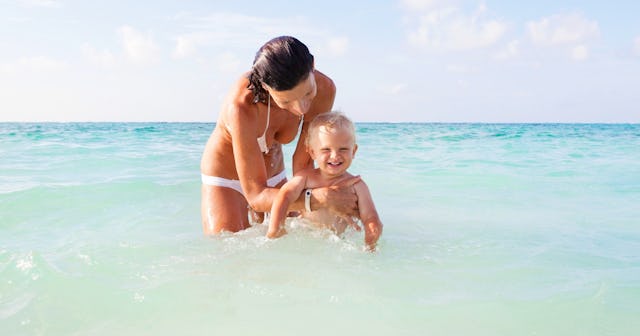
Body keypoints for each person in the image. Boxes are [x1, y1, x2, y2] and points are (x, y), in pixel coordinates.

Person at [200, 36, 360, 234]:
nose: (301, 109)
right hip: (227, 180)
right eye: (286, 102)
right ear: (266, 87)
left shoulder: (325, 89)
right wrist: (321, 198)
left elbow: (303, 164)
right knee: (228, 253)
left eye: (308, 94)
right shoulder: (241, 106)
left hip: (276, 176)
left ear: (313, 66)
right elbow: (257, 197)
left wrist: (334, 200)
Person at [267, 112, 383, 250]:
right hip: (305, 237)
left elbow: (370, 215)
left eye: (343, 149)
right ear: (312, 152)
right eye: (326, 149)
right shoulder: (305, 178)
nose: (335, 156)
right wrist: (275, 229)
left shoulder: (357, 185)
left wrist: (372, 228)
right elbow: (284, 196)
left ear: (354, 151)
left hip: (338, 243)